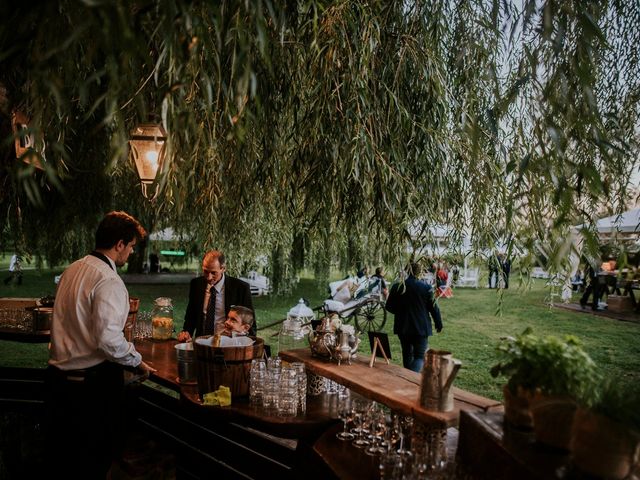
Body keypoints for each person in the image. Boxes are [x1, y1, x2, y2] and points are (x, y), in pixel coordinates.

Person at [45, 211, 156, 479]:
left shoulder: (72, 269)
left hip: (57, 383)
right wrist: (137, 362)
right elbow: (109, 340)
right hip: (89, 390)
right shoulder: (108, 280)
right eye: (130, 247)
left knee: (63, 462)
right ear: (119, 244)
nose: (130, 254)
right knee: (92, 462)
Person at [178, 250, 255, 341]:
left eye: (213, 273)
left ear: (223, 268)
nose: (209, 277)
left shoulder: (240, 288)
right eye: (205, 271)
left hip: (229, 344)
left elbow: (250, 323)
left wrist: (250, 345)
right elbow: (191, 315)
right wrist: (186, 333)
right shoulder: (196, 284)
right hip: (202, 342)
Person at [384, 262, 443, 373]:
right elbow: (434, 308)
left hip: (402, 326)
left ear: (407, 271)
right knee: (420, 356)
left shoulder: (397, 286)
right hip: (420, 326)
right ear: (420, 272)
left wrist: (400, 312)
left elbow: (389, 306)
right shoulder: (426, 287)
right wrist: (438, 323)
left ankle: (407, 378)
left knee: (406, 353)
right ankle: (410, 377)